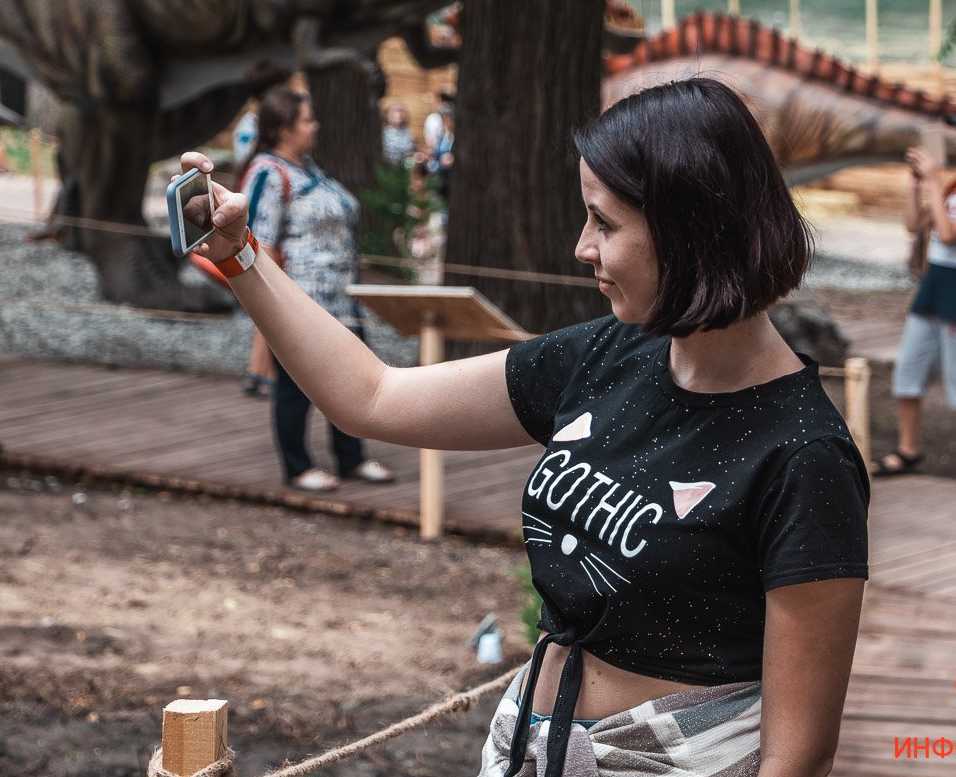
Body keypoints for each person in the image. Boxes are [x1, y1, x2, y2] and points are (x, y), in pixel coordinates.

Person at [182, 76, 868, 776]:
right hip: (529, 746)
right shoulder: (607, 354)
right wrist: (241, 256)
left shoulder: (804, 455)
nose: (582, 247)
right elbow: (374, 396)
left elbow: (796, 756)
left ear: (690, 228)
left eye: (604, 223)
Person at [239, 85, 393, 492]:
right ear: (284, 128)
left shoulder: (308, 168)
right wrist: (269, 308)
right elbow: (260, 241)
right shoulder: (268, 173)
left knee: (352, 379)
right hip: (301, 302)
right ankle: (297, 465)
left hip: (341, 299)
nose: (315, 125)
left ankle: (350, 458)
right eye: (307, 119)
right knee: (295, 386)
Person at [871, 107, 956, 489]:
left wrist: (933, 180)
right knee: (907, 374)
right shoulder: (955, 185)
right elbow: (914, 224)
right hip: (932, 287)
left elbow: (951, 235)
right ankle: (908, 449)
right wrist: (917, 183)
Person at [232, 59, 297, 397]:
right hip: (260, 220)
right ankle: (264, 371)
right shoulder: (256, 127)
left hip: (257, 214)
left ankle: (259, 370)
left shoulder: (252, 123)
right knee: (271, 300)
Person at [381, 101, 417, 165]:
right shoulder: (383, 132)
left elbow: (411, 150)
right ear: (388, 115)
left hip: (403, 166)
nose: (399, 115)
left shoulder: (407, 132)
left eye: (401, 112)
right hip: (386, 165)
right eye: (395, 113)